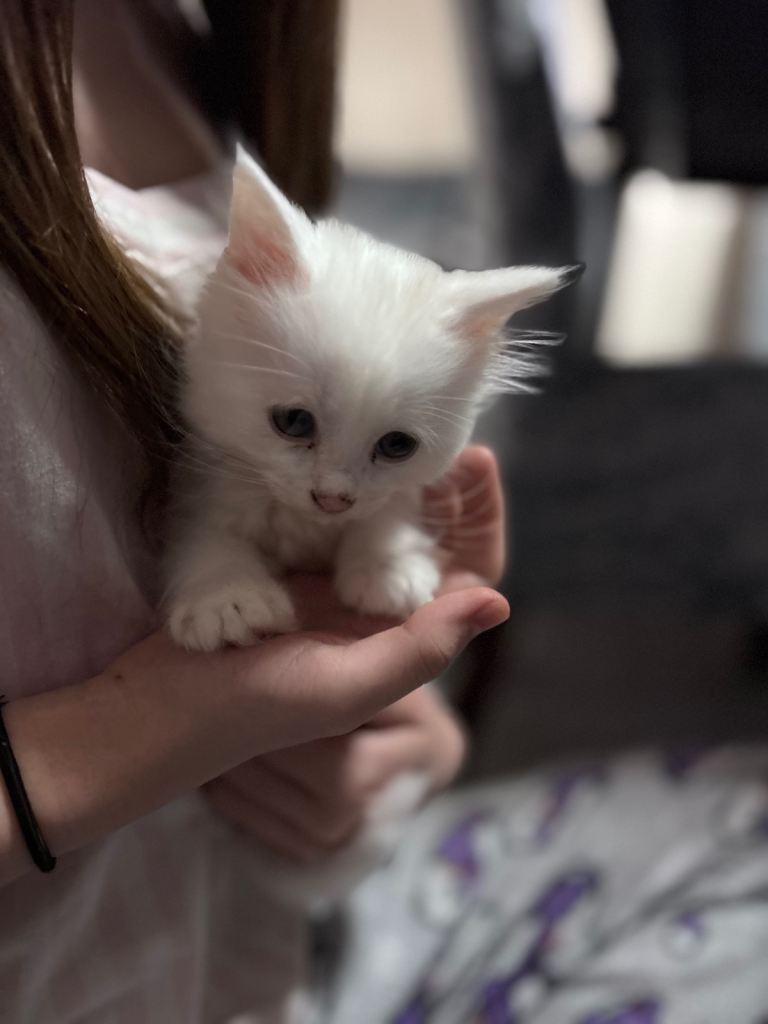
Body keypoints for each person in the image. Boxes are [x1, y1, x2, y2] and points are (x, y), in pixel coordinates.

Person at [3, 4, 768, 1024]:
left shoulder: (186, 33)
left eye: (393, 450)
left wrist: (399, 751)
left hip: (281, 942)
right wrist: (151, 727)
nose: (332, 486)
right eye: (296, 426)